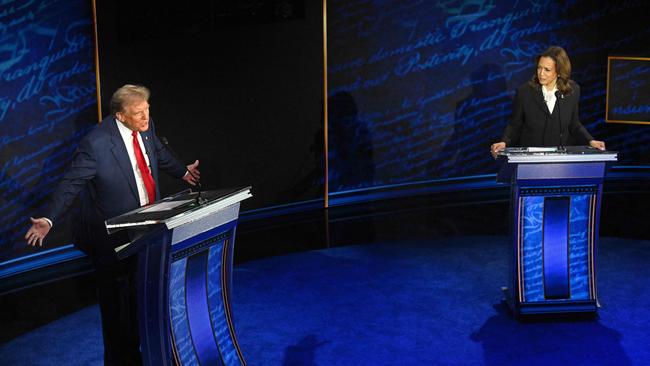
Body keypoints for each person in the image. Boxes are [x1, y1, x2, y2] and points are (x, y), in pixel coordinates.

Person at [24, 84, 200, 365]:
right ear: (120, 116)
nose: (146, 118)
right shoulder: (96, 144)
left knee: (142, 299)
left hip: (148, 228)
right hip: (111, 238)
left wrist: (182, 172)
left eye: (147, 110)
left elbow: (157, 150)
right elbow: (70, 184)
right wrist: (48, 218)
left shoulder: (146, 126)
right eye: (138, 113)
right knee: (118, 310)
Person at [491, 46, 605, 158]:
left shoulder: (573, 90)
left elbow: (574, 124)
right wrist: (504, 142)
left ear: (559, 72)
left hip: (560, 159)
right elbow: (515, 125)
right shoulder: (524, 92)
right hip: (531, 159)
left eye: (547, 70)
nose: (541, 73)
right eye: (539, 68)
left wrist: (590, 141)